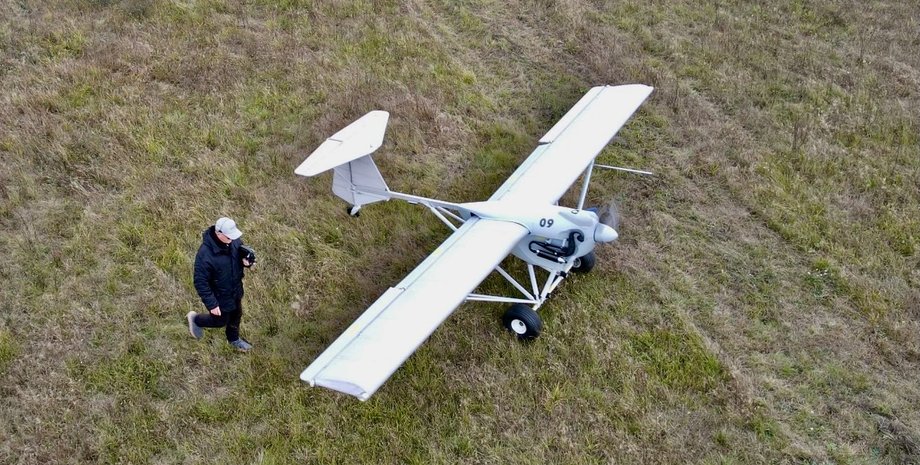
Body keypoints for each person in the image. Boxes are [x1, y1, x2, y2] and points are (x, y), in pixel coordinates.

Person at [186, 217, 256, 351]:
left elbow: (237, 258)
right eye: (229, 237)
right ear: (219, 234)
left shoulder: (234, 241)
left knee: (236, 315)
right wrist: (212, 304)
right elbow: (200, 282)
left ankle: (234, 340)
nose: (232, 239)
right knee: (220, 321)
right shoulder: (205, 255)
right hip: (219, 296)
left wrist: (245, 262)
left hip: (235, 290)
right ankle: (195, 319)